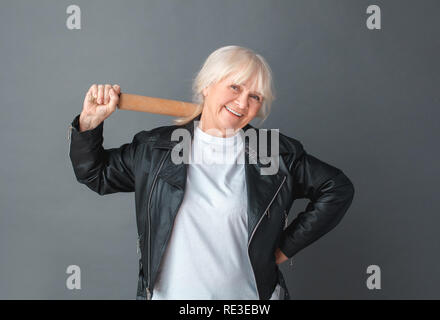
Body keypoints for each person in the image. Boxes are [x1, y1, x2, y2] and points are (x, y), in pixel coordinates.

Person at [68, 45, 355, 300]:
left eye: (254, 96)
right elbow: (95, 174)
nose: (243, 103)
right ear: (207, 85)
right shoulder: (157, 148)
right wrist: (89, 124)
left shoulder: (269, 151)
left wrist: (284, 248)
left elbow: (337, 188)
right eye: (235, 87)